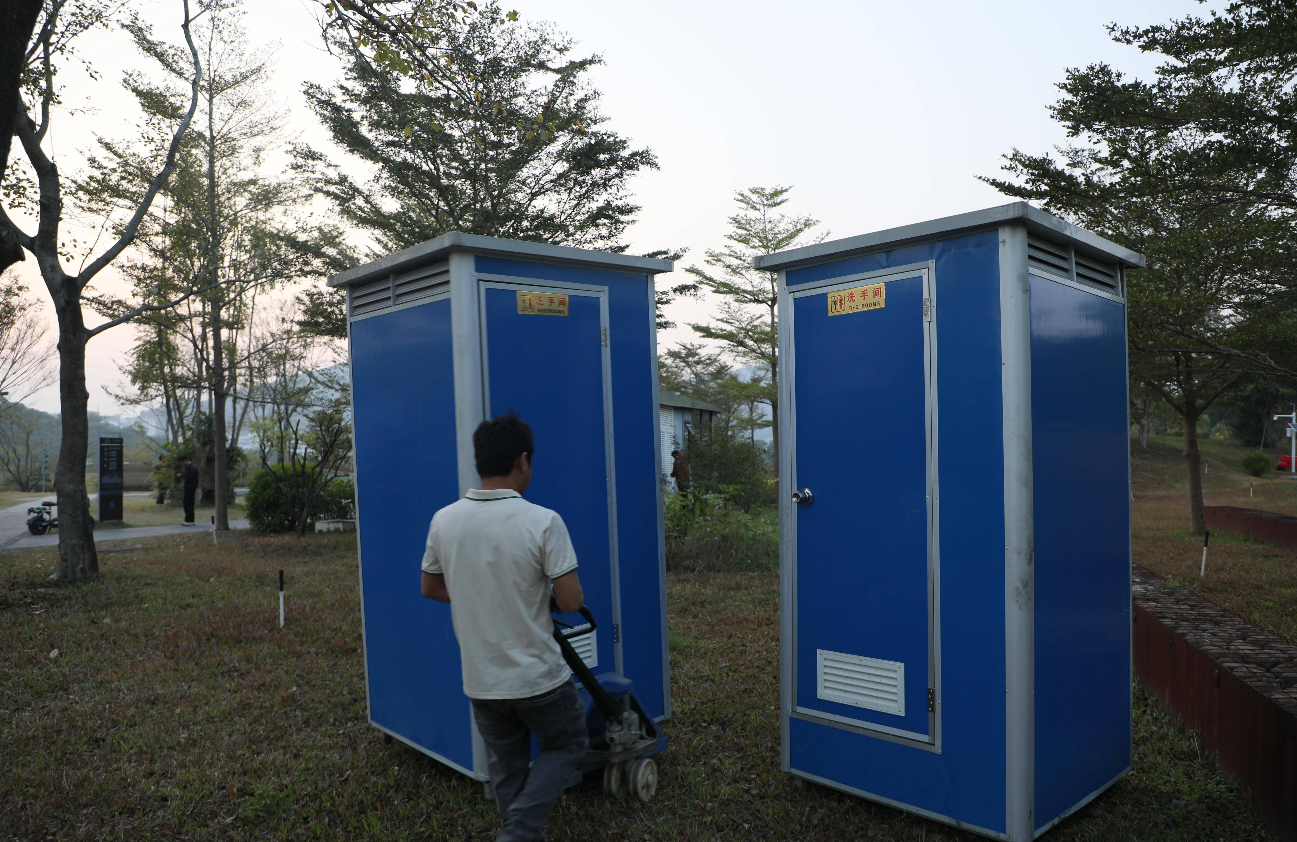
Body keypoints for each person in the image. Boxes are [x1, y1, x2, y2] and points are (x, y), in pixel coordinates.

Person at [420, 414, 588, 842]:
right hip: (538, 678)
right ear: (523, 461)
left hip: (482, 678)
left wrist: (484, 594)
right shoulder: (543, 521)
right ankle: (520, 831)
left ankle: (517, 832)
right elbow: (571, 602)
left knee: (507, 767)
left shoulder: (445, 520)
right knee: (569, 744)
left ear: (480, 462)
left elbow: (431, 587)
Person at [176, 455, 199, 526]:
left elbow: (190, 478)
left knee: (188, 504)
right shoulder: (189, 468)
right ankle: (189, 519)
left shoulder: (192, 468)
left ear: (185, 461)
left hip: (190, 488)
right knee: (187, 504)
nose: (182, 464)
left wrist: (181, 476)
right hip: (188, 488)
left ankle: (189, 520)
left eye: (181, 462)